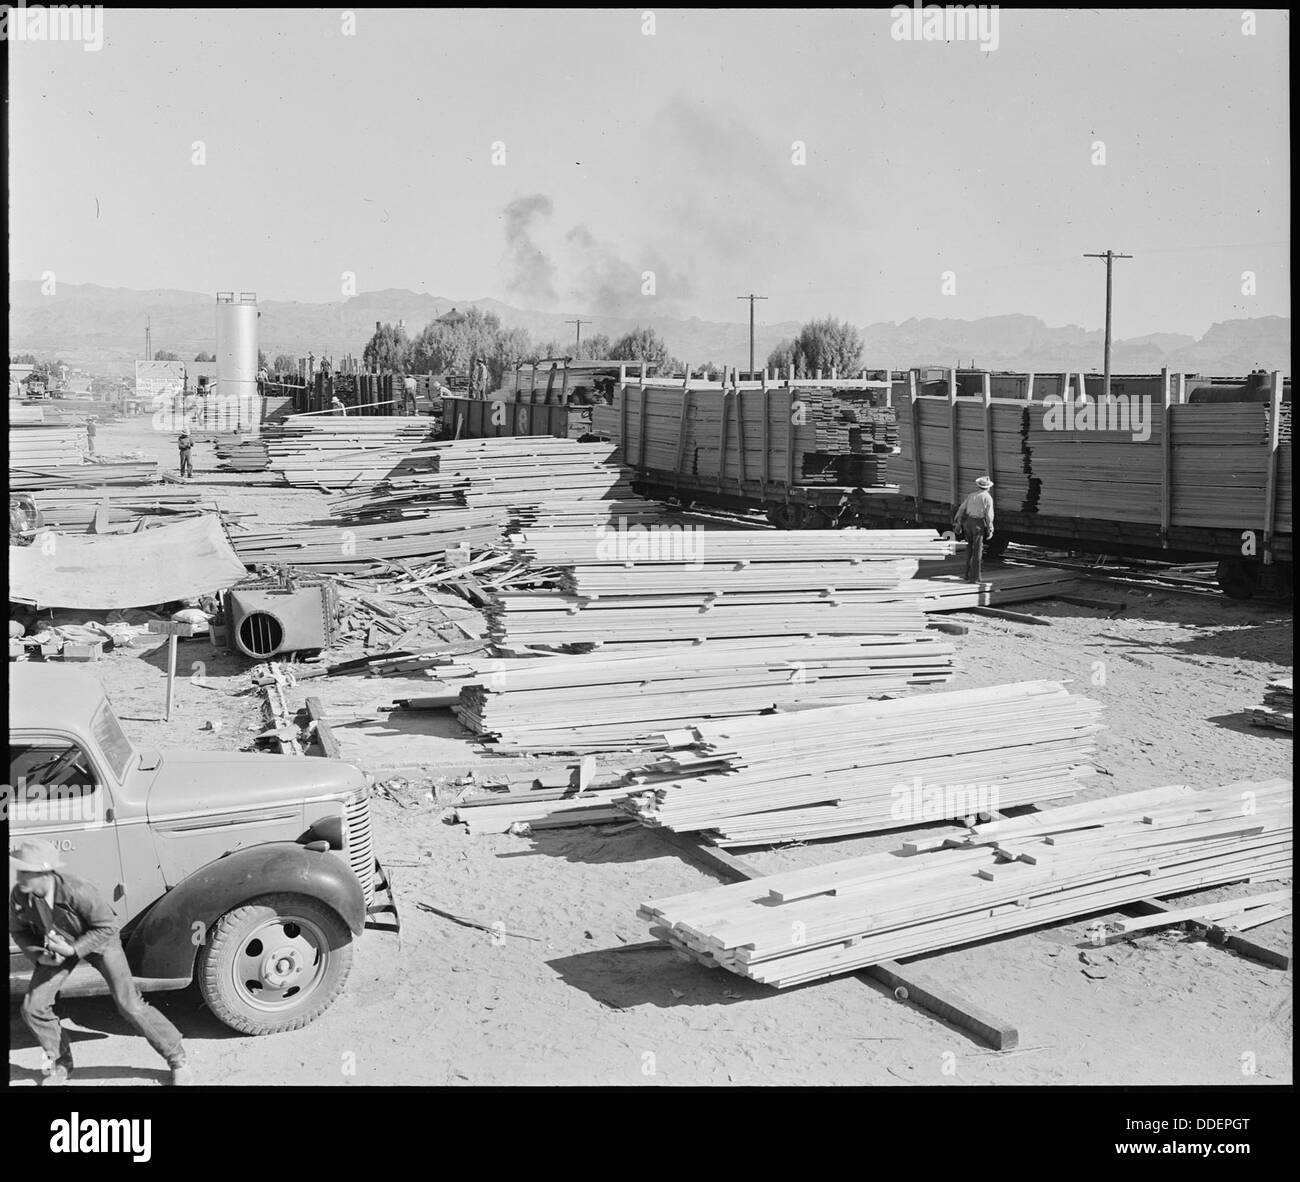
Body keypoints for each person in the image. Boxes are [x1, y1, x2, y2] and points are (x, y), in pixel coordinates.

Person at [9, 838, 192, 1086]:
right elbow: (19, 931)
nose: (19, 876)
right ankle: (61, 1064)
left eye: (25, 872)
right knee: (33, 1007)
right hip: (58, 949)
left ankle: (177, 1059)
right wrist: (37, 954)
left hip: (99, 943)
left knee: (130, 1004)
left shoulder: (78, 890)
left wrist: (74, 948)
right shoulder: (20, 895)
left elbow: (107, 927)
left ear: (44, 872)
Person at [953, 476, 995, 583]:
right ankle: (975, 578)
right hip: (978, 524)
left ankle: (966, 574)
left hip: (968, 522)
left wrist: (958, 522)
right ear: (988, 487)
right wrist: (990, 528)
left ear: (978, 486)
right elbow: (989, 515)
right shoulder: (987, 497)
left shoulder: (971, 495)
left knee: (969, 548)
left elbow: (962, 508)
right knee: (977, 551)